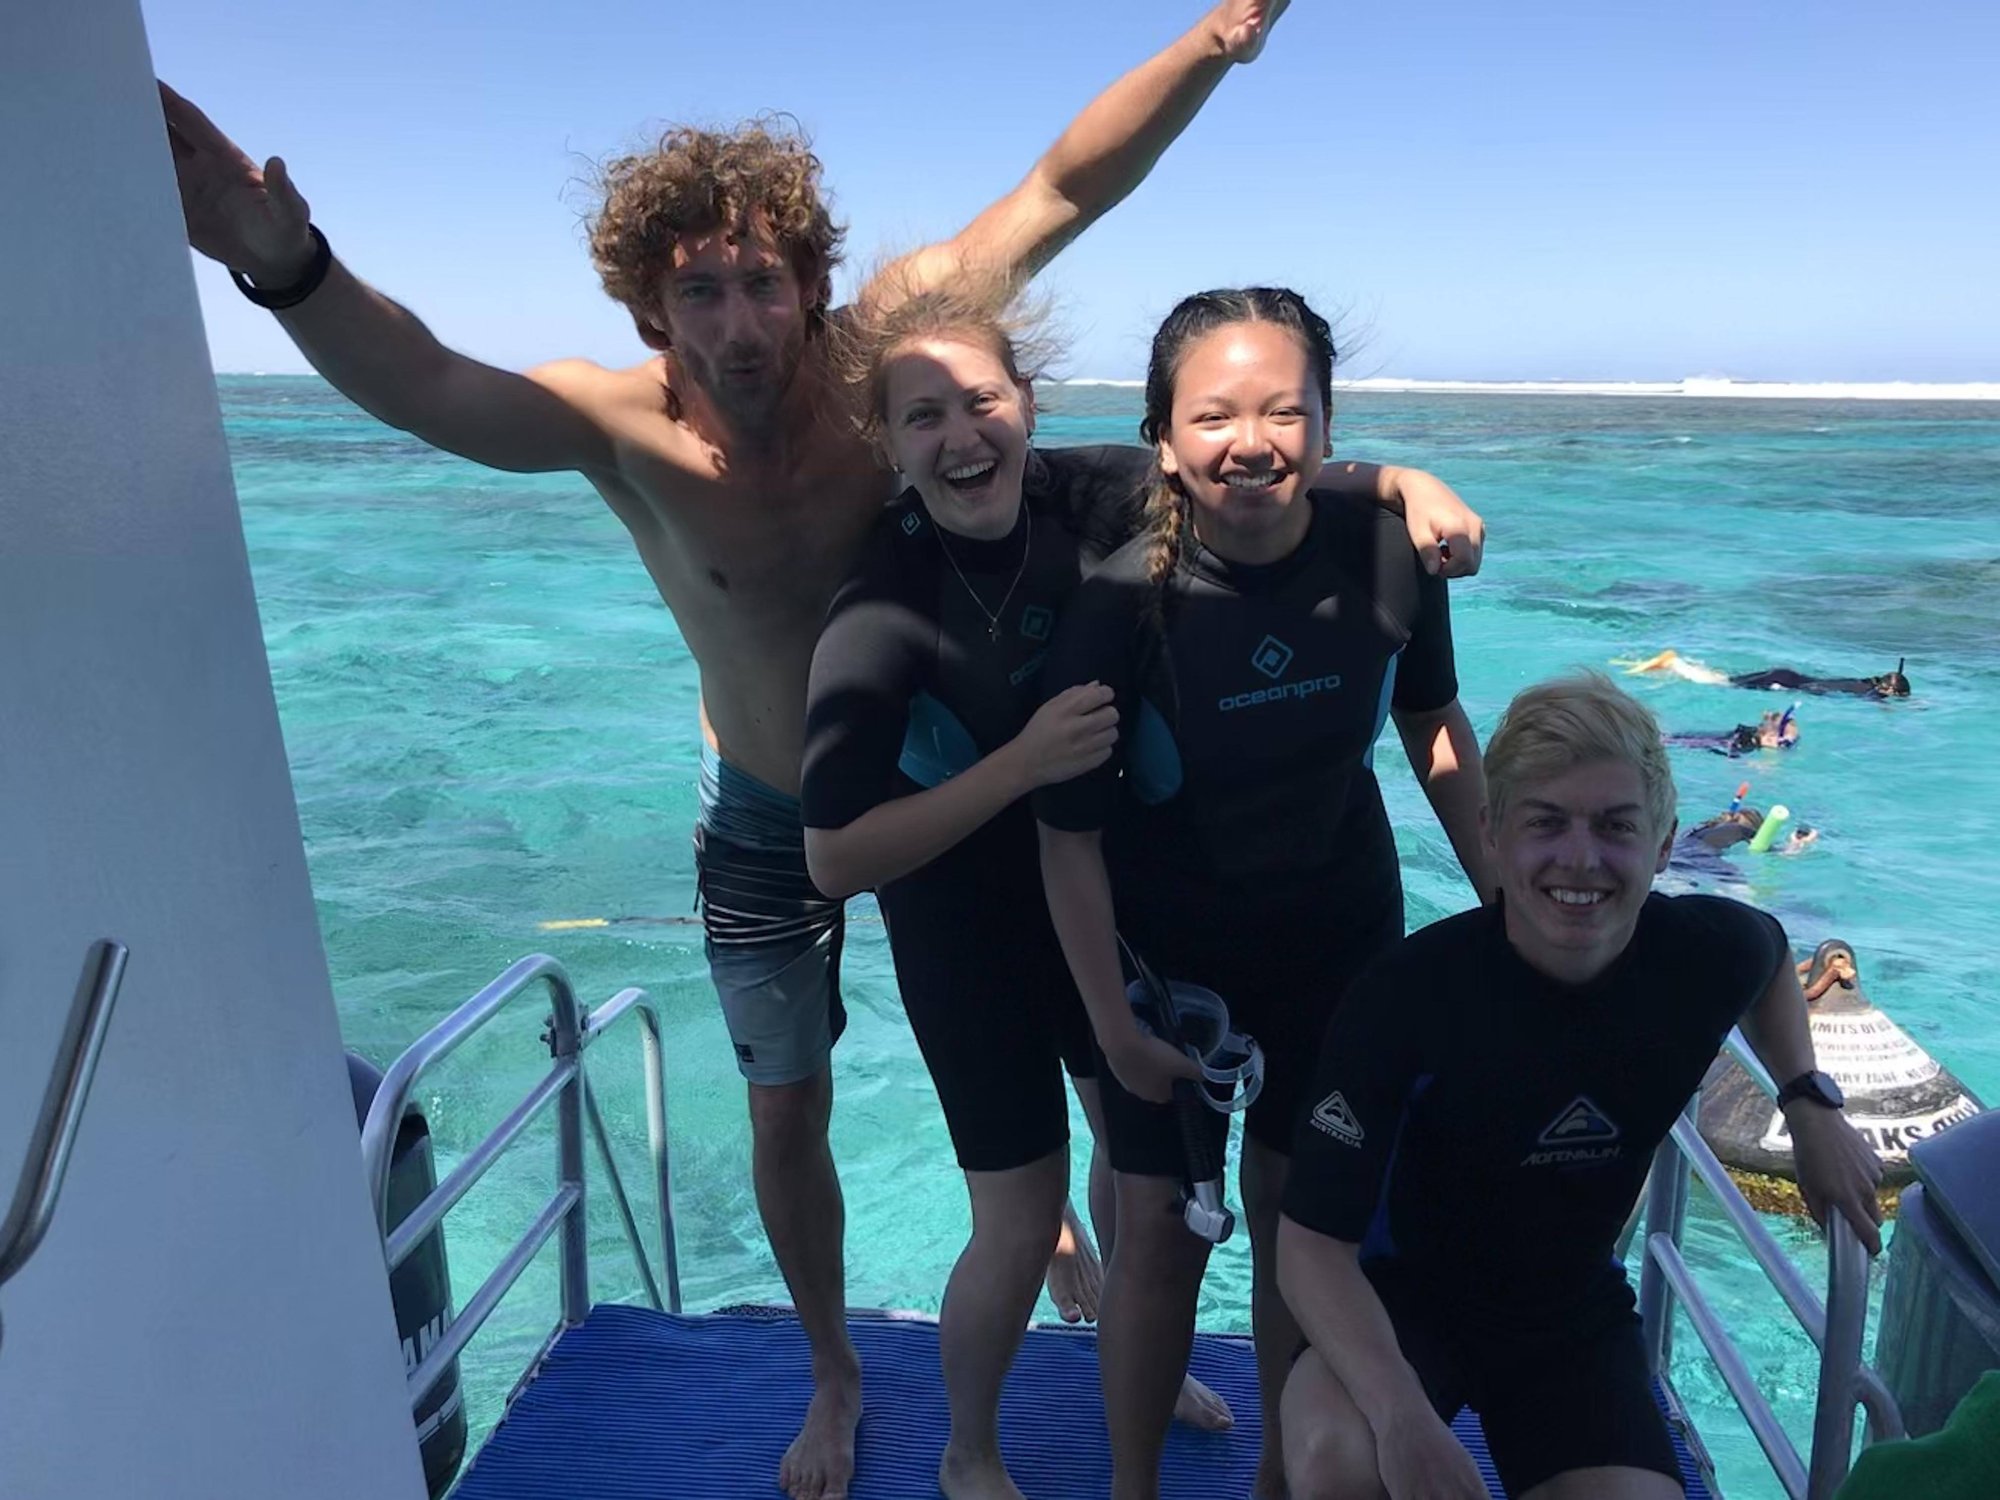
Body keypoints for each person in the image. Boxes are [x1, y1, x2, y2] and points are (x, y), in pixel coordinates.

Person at [159, 11, 1496, 1498]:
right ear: (650, 307)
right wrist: (284, 264)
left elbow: (1068, 195)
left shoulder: (897, 359)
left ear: (811, 285)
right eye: (698, 291)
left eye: (763, 283)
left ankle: (1128, 1333)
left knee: (1112, 1101)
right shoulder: (618, 423)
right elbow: (428, 386)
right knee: (788, 1104)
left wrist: (1217, 40)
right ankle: (833, 1373)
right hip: (769, 809)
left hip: (969, 803)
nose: (738, 324)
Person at [799, 276, 1479, 1499]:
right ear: (886, 445)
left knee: (1237, 1209)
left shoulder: (1125, 499)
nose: (960, 435)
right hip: (1022, 923)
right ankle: (983, 1452)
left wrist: (1401, 481)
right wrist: (1105, 1004)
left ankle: (1239, 1442)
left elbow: (1262, 474)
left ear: (1027, 404)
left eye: (982, 401)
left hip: (1230, 920)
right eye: (921, 417)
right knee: (1060, 1220)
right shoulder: (945, 602)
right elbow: (856, 854)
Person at [1033, 287, 1492, 1500]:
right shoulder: (1117, 605)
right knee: (1157, 1237)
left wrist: (1503, 901)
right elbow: (1066, 840)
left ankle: (1283, 1484)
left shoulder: (1386, 553)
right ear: (1161, 439)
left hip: (1338, 948)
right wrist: (1111, 1028)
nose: (1251, 442)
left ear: (1328, 427)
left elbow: (1431, 723)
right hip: (1163, 972)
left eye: (1284, 412)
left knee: (1302, 1232)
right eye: (1213, 416)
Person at [1275, 674, 1884, 1500]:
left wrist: (1807, 1098)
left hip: (1566, 1312)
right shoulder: (1405, 998)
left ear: (1664, 845)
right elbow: (1310, 1248)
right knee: (1341, 1458)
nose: (1580, 859)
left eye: (1615, 826)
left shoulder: (1697, 956)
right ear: (1491, 835)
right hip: (1401, 1301)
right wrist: (1399, 1416)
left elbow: (1771, 954)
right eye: (1546, 822)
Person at [1623, 649, 1910, 698]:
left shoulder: (1861, 682)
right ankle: (1674, 663)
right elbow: (1879, 701)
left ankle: (1674, 663)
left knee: (1723, 679)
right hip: (1781, 683)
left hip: (1785, 676)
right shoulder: (1869, 693)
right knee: (1721, 685)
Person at [1662, 707, 1799, 756]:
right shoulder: (1746, 745)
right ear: (1769, 737)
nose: (1785, 746)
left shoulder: (1752, 732)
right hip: (1713, 743)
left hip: (1713, 737)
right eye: (1784, 743)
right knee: (1669, 742)